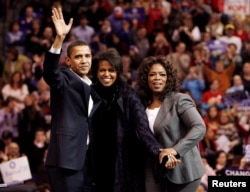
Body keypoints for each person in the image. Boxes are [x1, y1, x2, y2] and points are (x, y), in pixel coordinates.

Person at [90, 49, 166, 192]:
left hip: (123, 163)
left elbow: (142, 128)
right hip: (97, 162)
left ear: (118, 72)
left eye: (111, 70)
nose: (106, 74)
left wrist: (158, 151)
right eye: (102, 70)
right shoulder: (90, 92)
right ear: (96, 72)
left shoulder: (128, 95)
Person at [42, 7, 101, 192]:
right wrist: (59, 39)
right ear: (68, 61)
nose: (84, 60)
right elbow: (50, 73)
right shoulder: (64, 79)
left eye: (87, 56)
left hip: (88, 162)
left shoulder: (95, 86)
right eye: (78, 57)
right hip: (65, 161)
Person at [137, 55, 206, 192]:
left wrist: (175, 150)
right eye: (153, 74)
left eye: (162, 74)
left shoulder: (179, 100)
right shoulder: (141, 104)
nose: (157, 78)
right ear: (146, 78)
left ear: (168, 78)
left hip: (183, 170)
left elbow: (199, 127)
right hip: (153, 168)